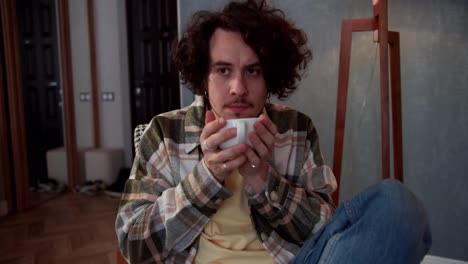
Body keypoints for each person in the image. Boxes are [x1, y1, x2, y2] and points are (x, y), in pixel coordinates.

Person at [115, 1, 431, 263]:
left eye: (253, 71)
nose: (238, 88)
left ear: (270, 79)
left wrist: (264, 180)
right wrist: (207, 177)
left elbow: (324, 231)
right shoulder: (165, 132)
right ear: (204, 75)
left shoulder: (295, 128)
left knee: (397, 205)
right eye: (223, 70)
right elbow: (133, 243)